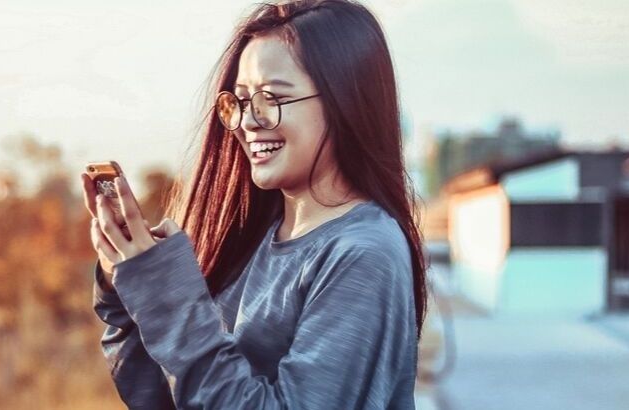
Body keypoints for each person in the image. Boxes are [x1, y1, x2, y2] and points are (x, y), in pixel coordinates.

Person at [81, 0, 427, 408]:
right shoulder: (253, 235)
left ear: (345, 100)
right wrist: (128, 283)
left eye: (270, 98)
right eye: (240, 101)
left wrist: (170, 299)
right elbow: (157, 396)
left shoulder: (363, 254)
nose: (246, 122)